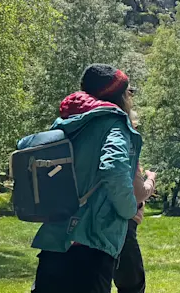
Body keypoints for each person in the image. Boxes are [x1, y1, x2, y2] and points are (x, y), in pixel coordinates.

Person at [31, 64, 141, 293]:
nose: (131, 98)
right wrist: (130, 209)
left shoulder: (67, 122)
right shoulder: (114, 124)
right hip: (92, 241)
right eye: (129, 92)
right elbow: (113, 168)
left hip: (55, 239)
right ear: (120, 95)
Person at [113, 109, 157, 293]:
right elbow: (139, 192)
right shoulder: (125, 146)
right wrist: (151, 178)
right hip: (123, 223)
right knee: (133, 285)